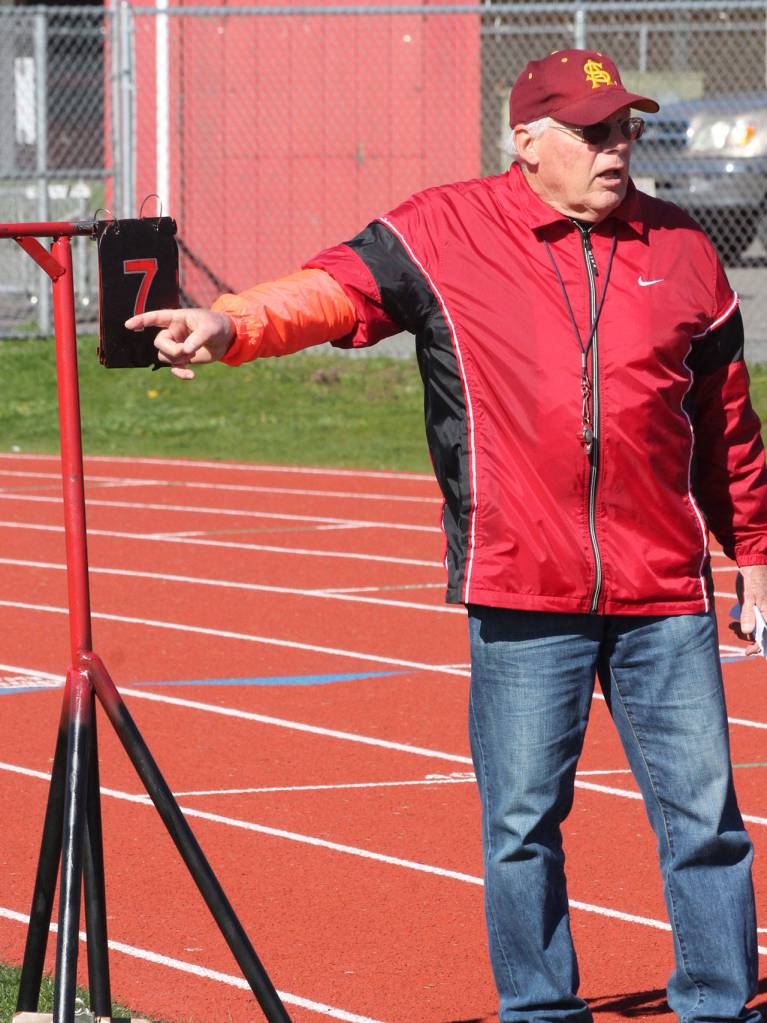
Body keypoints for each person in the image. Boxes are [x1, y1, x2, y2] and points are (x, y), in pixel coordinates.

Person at [127, 48, 767, 1023]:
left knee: (705, 825)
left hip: (663, 596)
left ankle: (722, 1008)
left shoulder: (680, 247)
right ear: (526, 142)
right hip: (521, 590)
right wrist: (232, 322)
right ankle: (539, 1012)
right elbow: (333, 292)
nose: (615, 148)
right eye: (592, 132)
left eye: (624, 129)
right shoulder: (444, 229)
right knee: (520, 827)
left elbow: (726, 426)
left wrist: (754, 552)